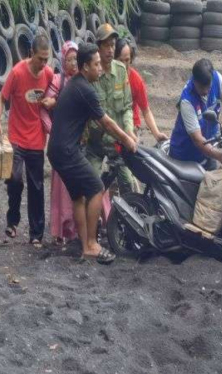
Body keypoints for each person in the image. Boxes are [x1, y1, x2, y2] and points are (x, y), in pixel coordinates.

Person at [47, 42, 137, 264]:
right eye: (96, 64)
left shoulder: (77, 84)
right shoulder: (85, 89)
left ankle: (86, 242)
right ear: (85, 67)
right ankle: (91, 245)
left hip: (57, 150)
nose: (100, 68)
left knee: (78, 196)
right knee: (97, 188)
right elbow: (106, 122)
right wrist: (127, 139)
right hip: (67, 150)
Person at [0, 35, 54, 246]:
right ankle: (12, 220)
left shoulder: (48, 74)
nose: (43, 64)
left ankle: (36, 234)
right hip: (17, 136)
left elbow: (56, 97)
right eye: (40, 59)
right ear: (31, 54)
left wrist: (51, 103)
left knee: (37, 186)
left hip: (37, 138)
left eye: (46, 59)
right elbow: (2, 98)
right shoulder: (17, 72)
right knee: (15, 178)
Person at [169, 58, 222, 170]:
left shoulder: (216, 78)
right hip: (185, 157)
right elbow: (197, 139)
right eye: (201, 88)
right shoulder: (187, 101)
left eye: (208, 87)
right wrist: (220, 156)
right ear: (194, 81)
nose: (206, 91)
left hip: (208, 151)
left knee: (211, 184)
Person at [86, 24, 136, 195]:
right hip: (96, 145)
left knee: (128, 184)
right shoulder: (91, 75)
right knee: (92, 187)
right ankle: (96, 220)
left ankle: (124, 219)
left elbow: (128, 107)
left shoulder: (121, 71)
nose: (110, 50)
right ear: (98, 48)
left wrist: (129, 129)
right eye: (106, 45)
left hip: (118, 144)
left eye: (113, 45)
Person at [42, 40, 79, 245]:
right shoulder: (58, 81)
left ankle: (82, 228)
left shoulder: (84, 79)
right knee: (61, 189)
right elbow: (43, 108)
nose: (73, 63)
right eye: (69, 59)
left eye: (76, 59)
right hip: (61, 144)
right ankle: (60, 230)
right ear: (63, 61)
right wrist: (54, 132)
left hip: (79, 143)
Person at [114, 38, 168, 142]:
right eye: (120, 61)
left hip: (131, 124)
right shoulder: (107, 78)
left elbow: (146, 110)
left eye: (127, 60)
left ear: (131, 59)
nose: (124, 64)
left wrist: (157, 134)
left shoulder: (136, 81)